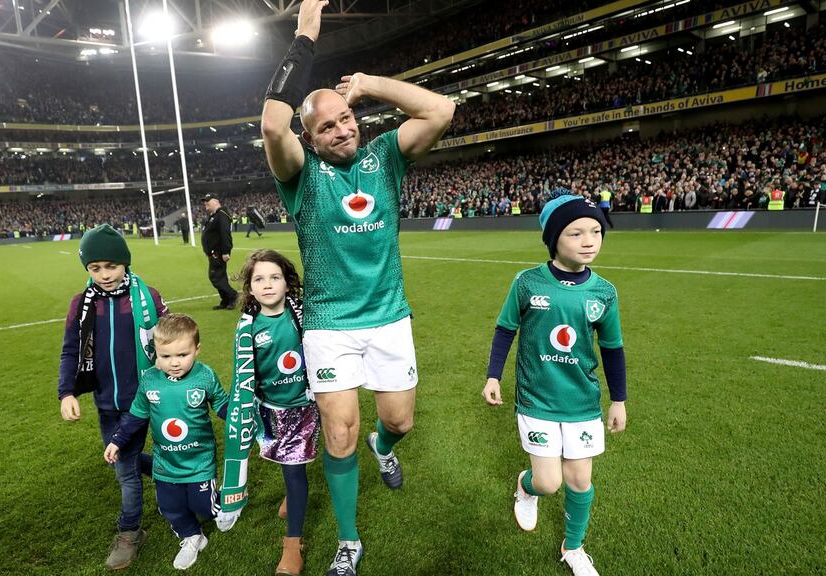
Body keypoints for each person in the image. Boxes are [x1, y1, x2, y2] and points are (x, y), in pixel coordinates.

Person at [259, 1, 455, 573]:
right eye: (327, 126)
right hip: (329, 326)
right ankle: (350, 540)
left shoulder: (384, 157)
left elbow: (441, 109)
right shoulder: (300, 178)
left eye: (346, 117)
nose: (342, 129)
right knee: (339, 435)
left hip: (390, 318)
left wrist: (370, 84)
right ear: (311, 139)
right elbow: (273, 123)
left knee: (398, 422)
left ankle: (385, 448)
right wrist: (305, 35)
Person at [482, 191, 628, 576]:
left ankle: (574, 546)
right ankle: (526, 487)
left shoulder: (604, 292)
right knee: (549, 482)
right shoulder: (528, 282)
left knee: (580, 480)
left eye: (596, 232)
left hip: (582, 401)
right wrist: (493, 375)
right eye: (576, 233)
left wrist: (619, 400)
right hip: (537, 399)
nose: (589, 241)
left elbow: (613, 349)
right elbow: (505, 329)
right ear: (553, 239)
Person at [57, 224, 168, 570]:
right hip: (106, 401)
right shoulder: (82, 304)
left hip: (144, 399)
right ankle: (173, 475)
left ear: (125, 263)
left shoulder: (147, 296)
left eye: (111, 266)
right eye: (95, 268)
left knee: (124, 469)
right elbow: (70, 351)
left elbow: (169, 339)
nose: (104, 275)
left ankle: (130, 531)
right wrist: (67, 392)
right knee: (127, 461)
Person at [216, 250, 320, 576]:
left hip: (303, 408)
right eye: (259, 279)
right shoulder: (247, 328)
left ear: (287, 283)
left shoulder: (303, 316)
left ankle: (293, 545)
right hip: (269, 411)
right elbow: (245, 377)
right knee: (280, 461)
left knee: (294, 470)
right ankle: (293, 495)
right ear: (249, 287)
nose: (267, 284)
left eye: (275, 277)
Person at [104, 313, 229, 570]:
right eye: (166, 356)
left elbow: (222, 404)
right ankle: (191, 536)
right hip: (166, 464)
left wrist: (240, 421)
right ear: (156, 354)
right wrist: (117, 440)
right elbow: (136, 416)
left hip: (199, 462)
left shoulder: (205, 376)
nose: (174, 363)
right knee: (170, 507)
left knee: (205, 508)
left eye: (182, 355)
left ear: (197, 349)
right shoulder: (149, 379)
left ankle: (229, 499)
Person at [201, 194, 238, 310]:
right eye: (204, 201)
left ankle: (233, 296)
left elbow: (225, 233)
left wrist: (226, 251)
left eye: (208, 201)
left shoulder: (221, 215)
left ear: (216, 201)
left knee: (215, 277)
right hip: (213, 253)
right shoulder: (214, 216)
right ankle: (225, 300)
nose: (205, 203)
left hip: (218, 253)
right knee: (220, 277)